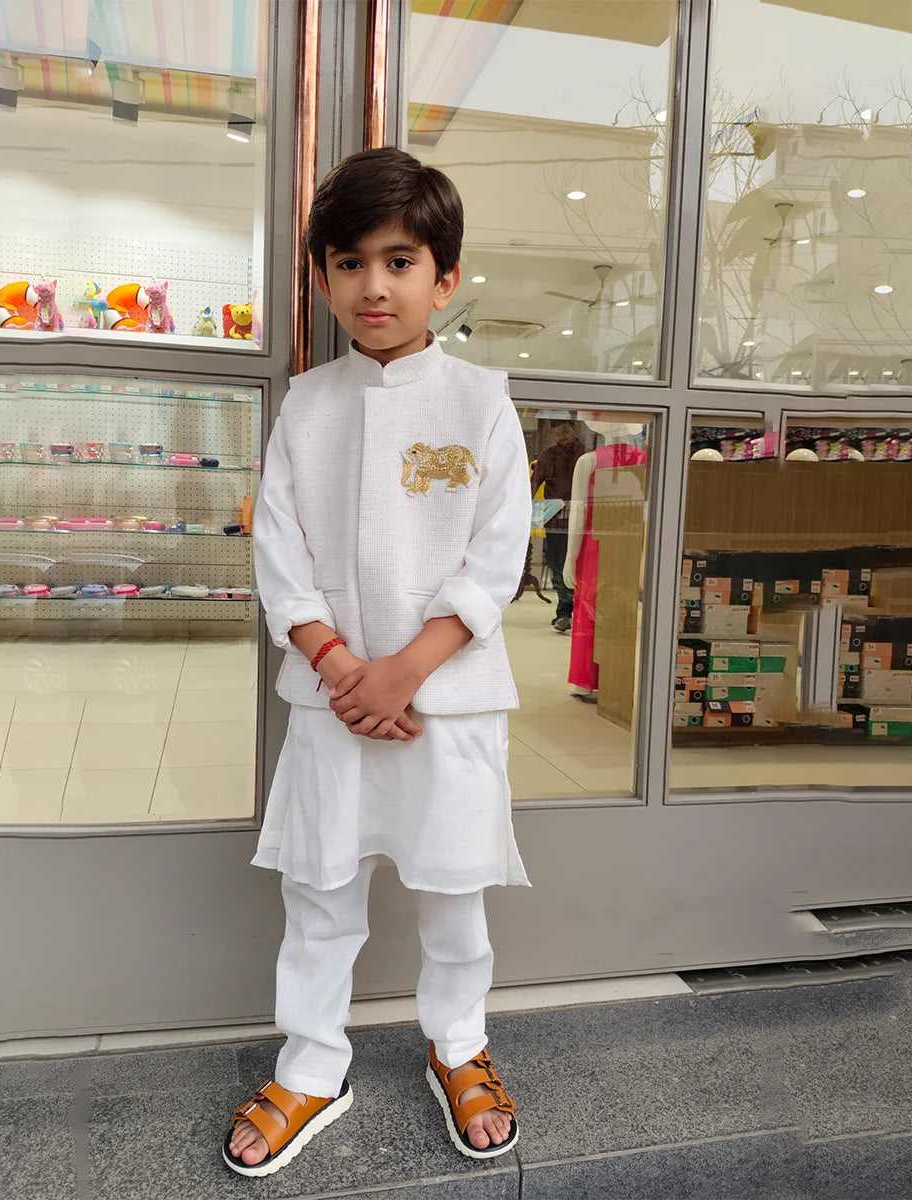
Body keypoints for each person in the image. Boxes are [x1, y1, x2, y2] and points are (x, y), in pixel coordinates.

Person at [223, 147, 532, 1179]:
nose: (374, 286)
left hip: (448, 698)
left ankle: (459, 1045)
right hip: (333, 697)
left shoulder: (482, 401)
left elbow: (496, 558)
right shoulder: (306, 403)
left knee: (454, 893)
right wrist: (344, 667)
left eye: (400, 261)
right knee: (318, 894)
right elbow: (279, 552)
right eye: (349, 263)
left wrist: (407, 671)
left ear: (445, 278)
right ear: (322, 278)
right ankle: (313, 1063)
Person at [531, 419, 584, 632]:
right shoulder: (548, 455)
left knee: (579, 565)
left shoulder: (584, 454)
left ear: (573, 429)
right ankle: (565, 611)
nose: (562, 436)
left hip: (582, 519)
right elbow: (534, 482)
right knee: (557, 564)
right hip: (554, 518)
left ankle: (569, 612)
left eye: (565, 431)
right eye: (557, 433)